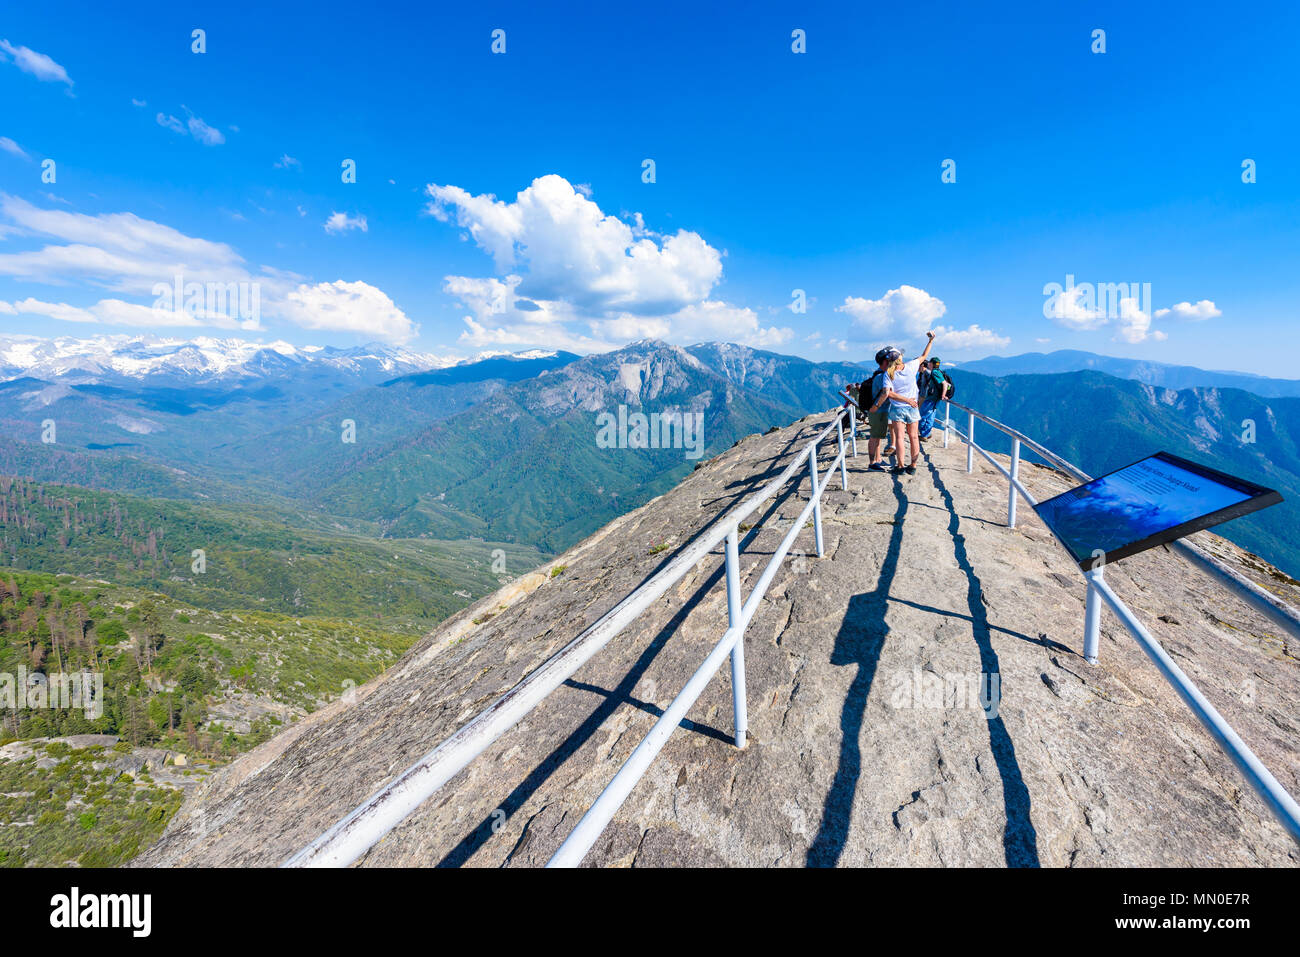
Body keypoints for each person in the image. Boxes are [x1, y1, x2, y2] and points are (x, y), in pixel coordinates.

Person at [887, 331, 937, 474]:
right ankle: (913, 466)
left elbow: (889, 393)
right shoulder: (911, 366)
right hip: (913, 407)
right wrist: (931, 340)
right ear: (900, 358)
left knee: (900, 438)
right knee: (914, 437)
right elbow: (924, 356)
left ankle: (901, 466)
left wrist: (904, 399)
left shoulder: (889, 373)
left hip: (898, 408)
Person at [862, 348, 900, 470]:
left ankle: (877, 460)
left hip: (880, 410)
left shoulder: (878, 373)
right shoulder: (882, 376)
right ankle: (872, 463)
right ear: (885, 362)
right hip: (878, 411)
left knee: (877, 436)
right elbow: (886, 393)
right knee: (875, 437)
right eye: (890, 360)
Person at [918, 357, 949, 440]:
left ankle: (924, 434)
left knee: (921, 415)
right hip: (935, 398)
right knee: (930, 416)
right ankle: (926, 433)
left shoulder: (934, 372)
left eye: (930, 363)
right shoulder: (938, 371)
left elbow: (944, 384)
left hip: (931, 398)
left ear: (931, 363)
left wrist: (943, 394)